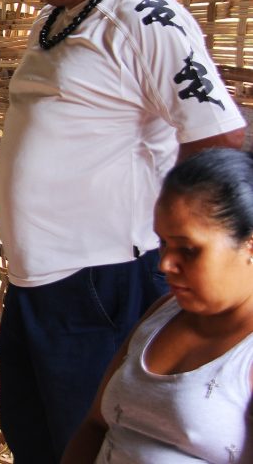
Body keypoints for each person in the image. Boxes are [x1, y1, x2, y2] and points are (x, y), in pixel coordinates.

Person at [0, 0, 247, 462]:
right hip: (37, 277)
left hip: (100, 277)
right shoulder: (59, 17)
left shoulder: (148, 18)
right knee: (35, 436)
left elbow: (217, 137)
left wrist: (172, 238)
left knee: (81, 435)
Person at [62, 148, 253, 464]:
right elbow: (96, 425)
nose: (165, 264)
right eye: (163, 242)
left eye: (188, 250)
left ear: (249, 246)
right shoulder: (164, 313)